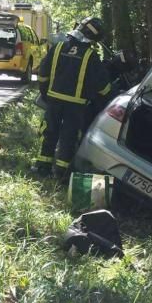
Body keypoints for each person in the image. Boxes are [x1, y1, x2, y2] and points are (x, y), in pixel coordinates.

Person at [35, 17, 112, 181]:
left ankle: (42, 167)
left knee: (49, 132)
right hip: (75, 106)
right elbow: (102, 86)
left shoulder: (58, 48)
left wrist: (45, 93)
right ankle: (61, 174)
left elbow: (42, 74)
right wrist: (107, 98)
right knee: (68, 138)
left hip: (54, 100)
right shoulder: (91, 56)